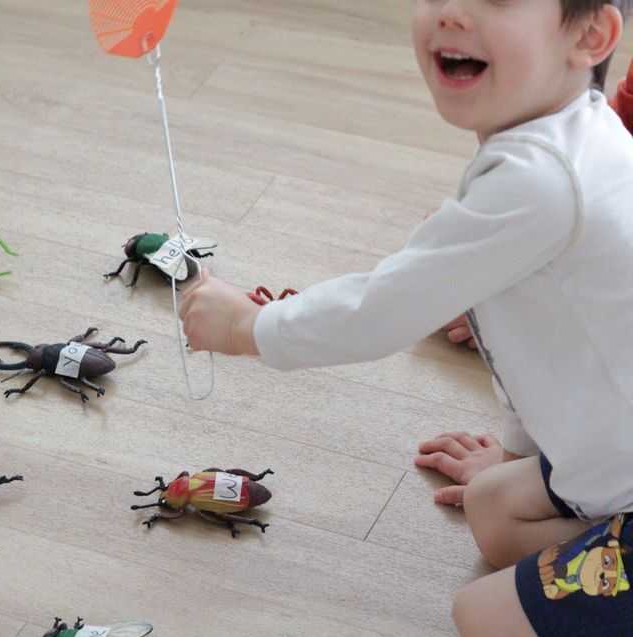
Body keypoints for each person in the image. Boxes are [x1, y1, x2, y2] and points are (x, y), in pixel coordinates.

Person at [178, 1, 633, 635]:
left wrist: (248, 328)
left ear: (588, 37)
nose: (451, 12)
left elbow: (383, 308)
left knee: (480, 614)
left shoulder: (542, 179)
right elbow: (532, 348)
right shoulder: (562, 141)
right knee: (492, 507)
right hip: (612, 460)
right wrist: (514, 455)